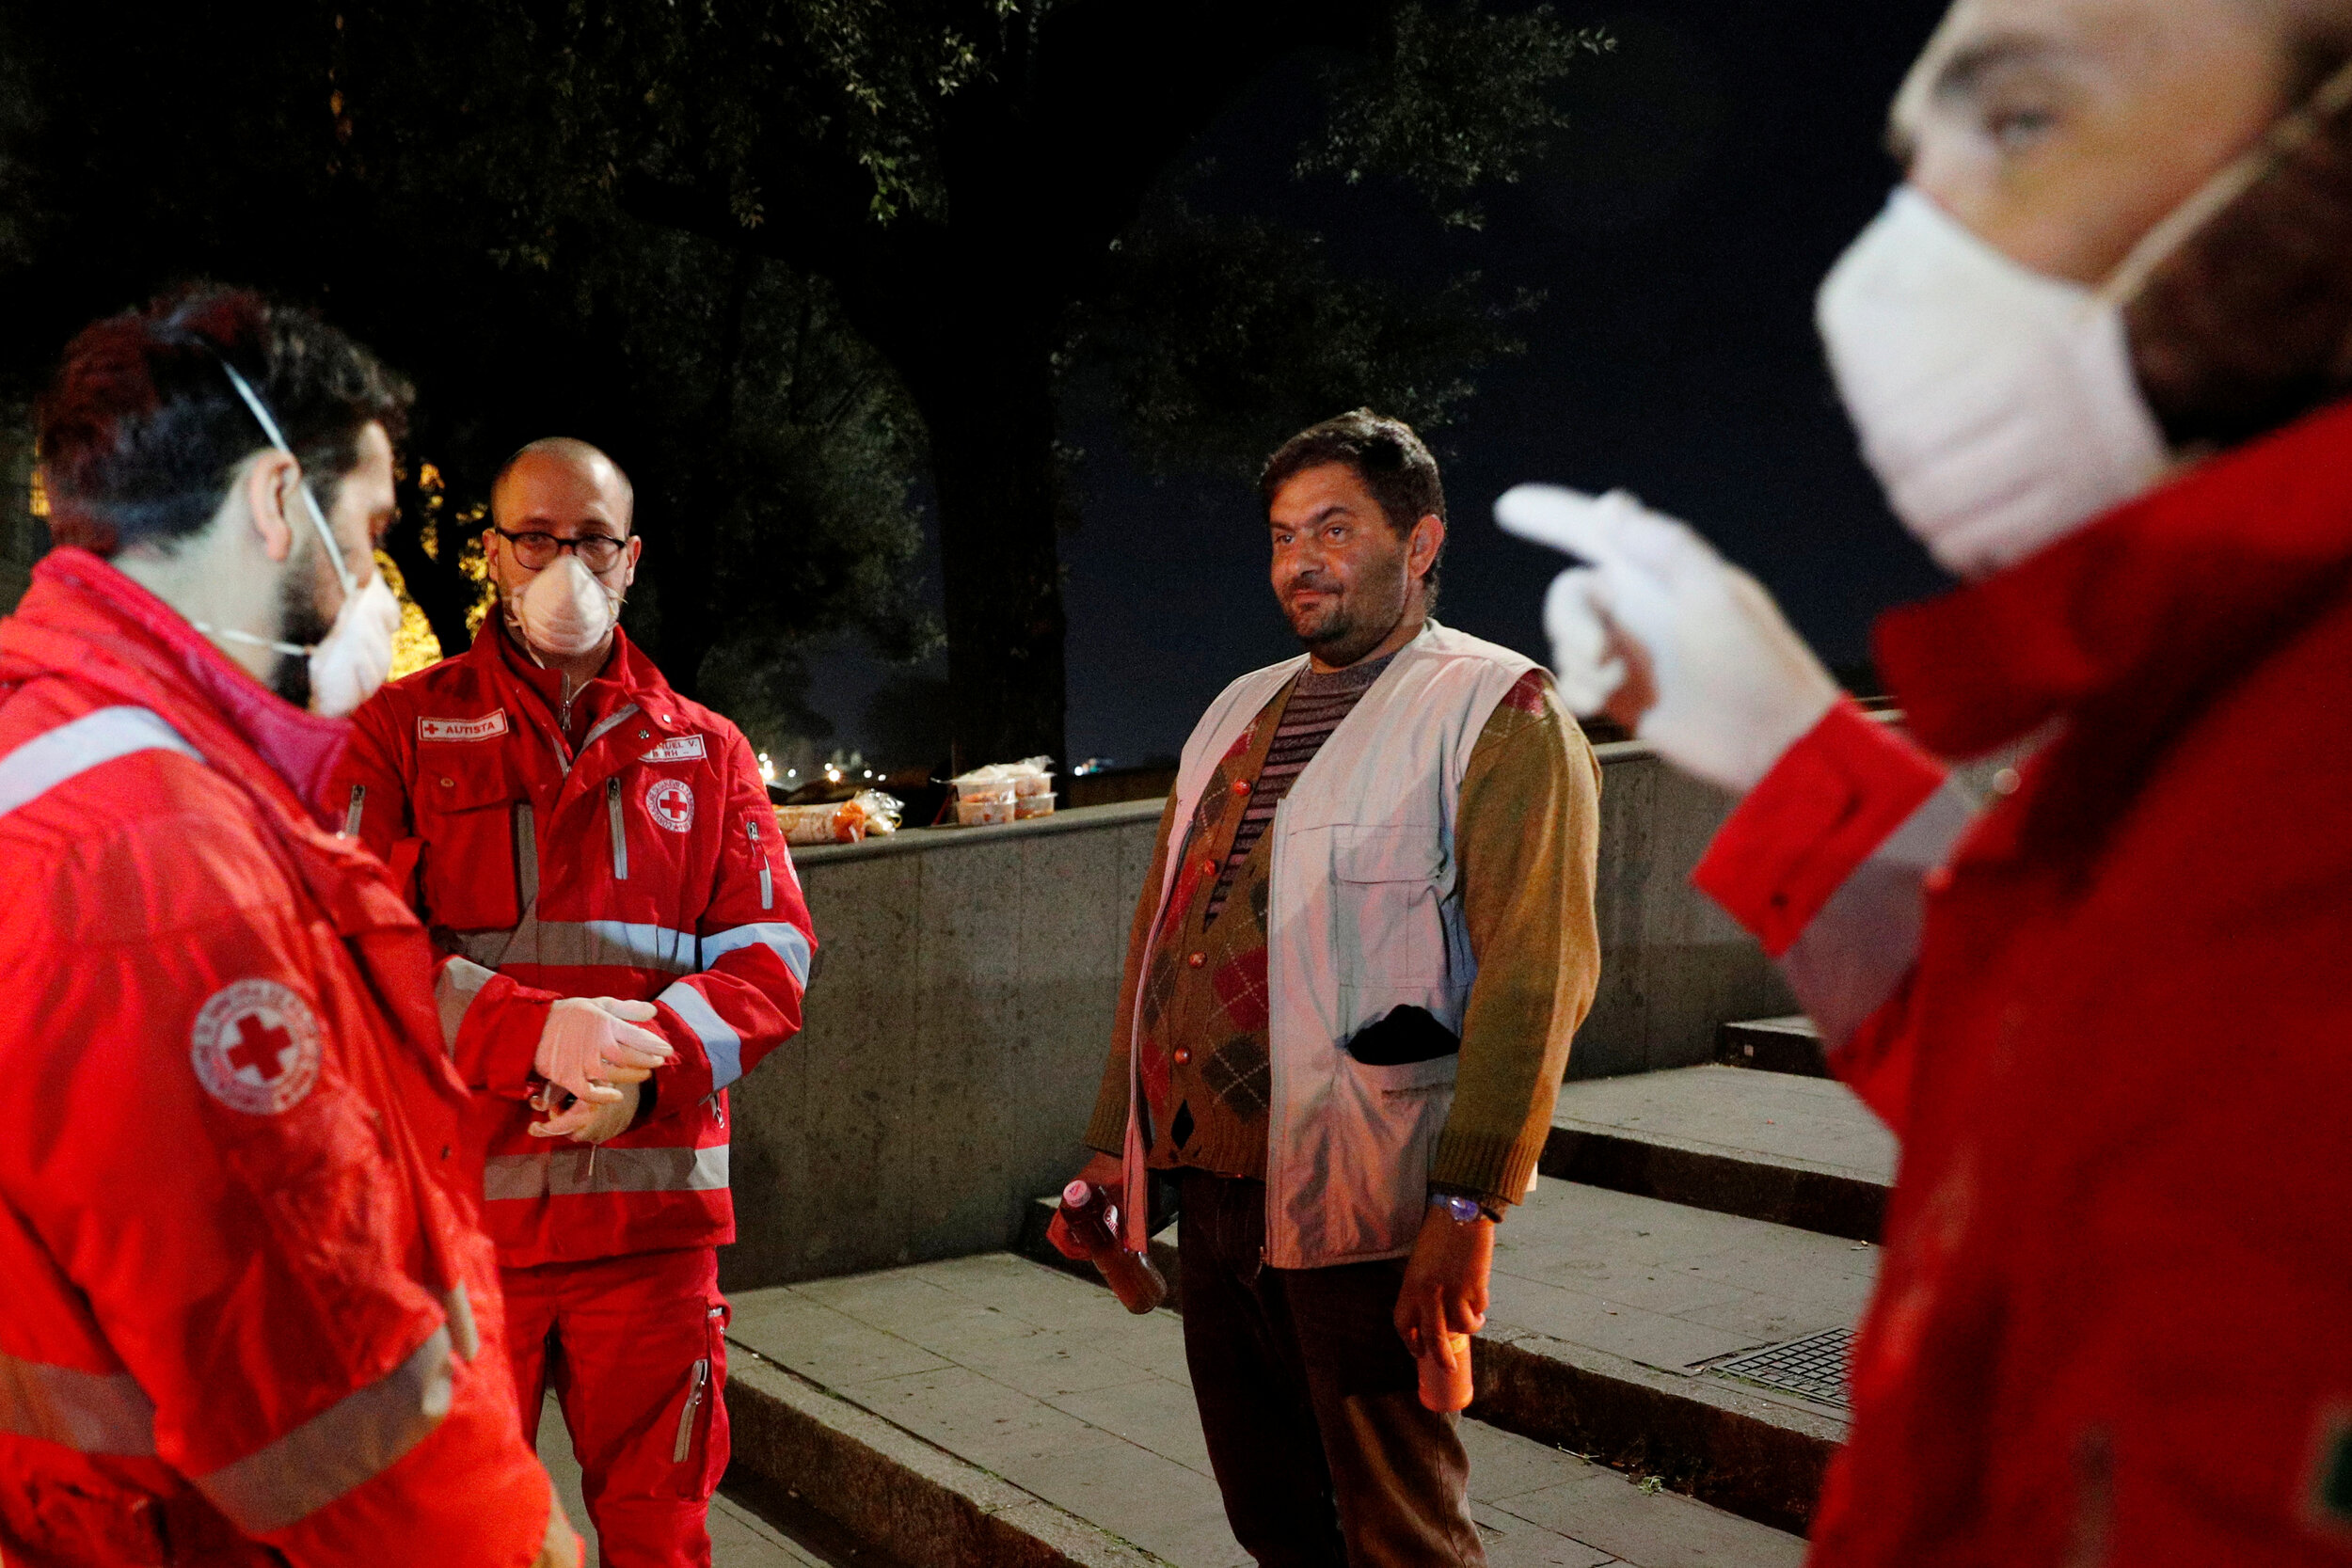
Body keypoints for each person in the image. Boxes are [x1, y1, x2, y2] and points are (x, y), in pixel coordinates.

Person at [1497, 1, 2352, 1560]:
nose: (1888, 268)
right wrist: (1785, 744)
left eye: (2022, 122)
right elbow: (2046, 1093)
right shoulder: (2219, 721)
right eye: (1915, 165)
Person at [0, 287, 590, 1564]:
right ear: (278, 501)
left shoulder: (74, 759)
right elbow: (315, 1364)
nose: (373, 582)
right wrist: (516, 1539)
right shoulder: (151, 859)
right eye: (370, 529)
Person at [1057, 411, 1602, 1567]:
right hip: (1213, 1197)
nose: (1299, 559)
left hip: (1371, 1197)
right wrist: (1115, 1151)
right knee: (1274, 1518)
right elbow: (1161, 952)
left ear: (1419, 544)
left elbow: (1536, 974)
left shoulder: (1497, 709)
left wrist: (1468, 1206)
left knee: (1397, 1525)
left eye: (1334, 528)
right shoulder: (1230, 712)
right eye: (1281, 534)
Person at [332, 436, 815, 1568]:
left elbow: (772, 956)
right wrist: (538, 1029)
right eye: (537, 537)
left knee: (661, 1538)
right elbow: (350, 943)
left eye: (592, 538)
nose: (566, 562)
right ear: (493, 550)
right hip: (459, 1239)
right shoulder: (396, 731)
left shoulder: (705, 748)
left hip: (648, 1241)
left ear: (632, 556)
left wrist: (637, 1065)